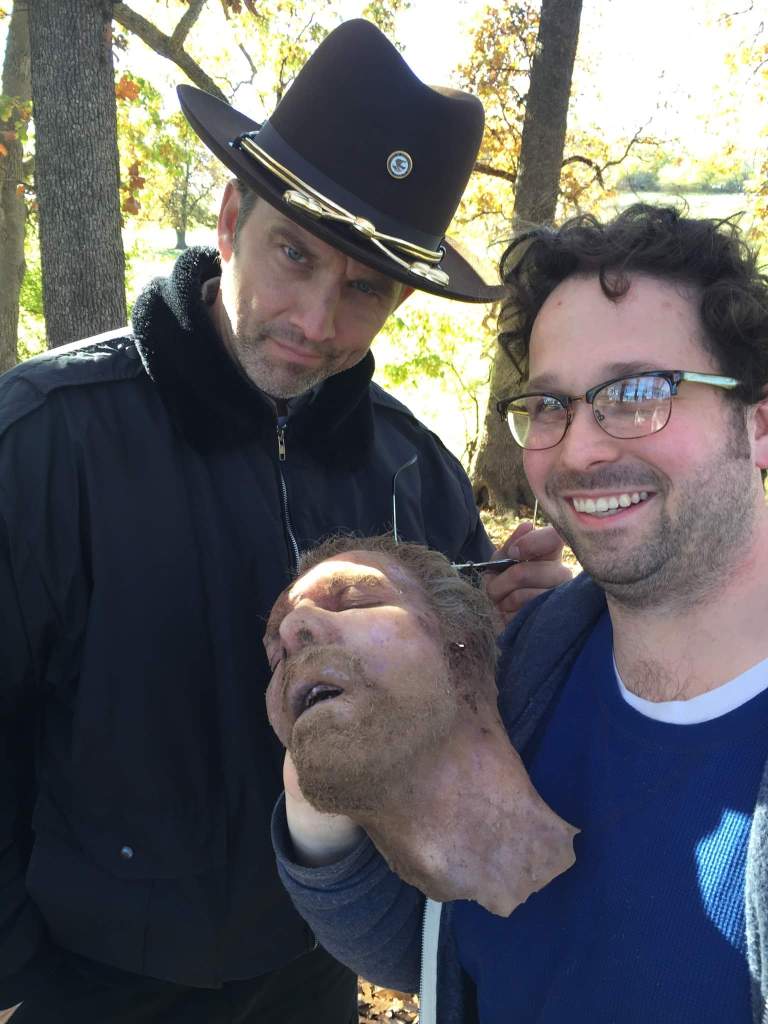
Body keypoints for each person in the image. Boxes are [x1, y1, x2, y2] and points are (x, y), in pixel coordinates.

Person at [0, 18, 568, 1024]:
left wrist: (527, 631)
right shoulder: (47, 439)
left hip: (315, 969)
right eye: (294, 254)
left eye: (365, 288)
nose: (316, 321)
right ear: (231, 220)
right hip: (85, 979)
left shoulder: (415, 473)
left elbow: (458, 722)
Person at [273, 204, 768, 1024]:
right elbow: (434, 943)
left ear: (757, 423)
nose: (579, 449)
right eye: (549, 405)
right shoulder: (532, 665)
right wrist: (321, 789)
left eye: (637, 392)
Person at [264, 535, 577, 916]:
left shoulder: (598, 742)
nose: (291, 629)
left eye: (355, 600)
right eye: (275, 655)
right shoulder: (412, 928)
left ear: (461, 650)